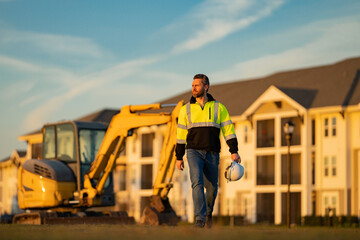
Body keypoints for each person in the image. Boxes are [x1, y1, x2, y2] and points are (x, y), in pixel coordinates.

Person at [175, 74, 241, 228]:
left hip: (212, 153)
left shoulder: (219, 108)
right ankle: (200, 218)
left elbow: (228, 130)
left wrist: (234, 150)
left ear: (206, 87)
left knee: (212, 188)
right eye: (192, 85)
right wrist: (179, 157)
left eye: (197, 85)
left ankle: (208, 213)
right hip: (193, 152)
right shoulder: (186, 110)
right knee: (196, 182)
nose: (193, 88)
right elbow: (180, 136)